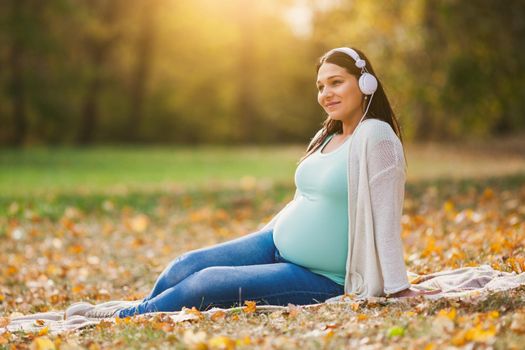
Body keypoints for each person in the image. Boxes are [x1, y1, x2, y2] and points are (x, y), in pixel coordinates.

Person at [68, 46, 439, 319]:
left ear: (365, 82)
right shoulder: (329, 135)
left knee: (206, 283)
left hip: (321, 276)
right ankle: (143, 307)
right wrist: (265, 239)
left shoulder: (376, 137)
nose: (326, 94)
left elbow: (387, 217)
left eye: (336, 83)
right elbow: (305, 199)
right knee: (185, 265)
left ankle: (125, 317)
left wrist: (398, 286)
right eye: (321, 86)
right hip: (275, 244)